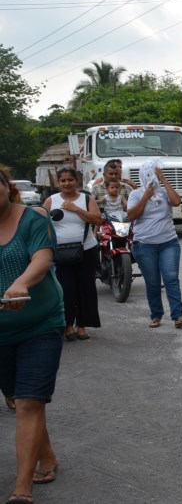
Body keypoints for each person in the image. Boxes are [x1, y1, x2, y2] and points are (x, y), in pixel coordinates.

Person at [0, 167, 65, 504]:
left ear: (6, 187)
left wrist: (22, 281)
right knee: (21, 397)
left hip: (40, 324)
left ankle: (21, 489)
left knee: (28, 401)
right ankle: (47, 455)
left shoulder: (33, 219)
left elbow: (42, 258)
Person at [127, 159, 182, 329]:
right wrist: (145, 197)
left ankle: (178, 315)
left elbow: (177, 202)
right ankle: (156, 315)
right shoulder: (135, 194)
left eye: (155, 175)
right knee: (153, 281)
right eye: (150, 175)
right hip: (144, 245)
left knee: (171, 278)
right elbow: (132, 216)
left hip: (168, 242)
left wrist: (164, 180)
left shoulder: (164, 192)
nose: (152, 179)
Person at [43, 168, 103, 342]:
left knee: (86, 288)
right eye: (63, 181)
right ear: (58, 183)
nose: (67, 183)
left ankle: (82, 326)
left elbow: (97, 220)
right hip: (61, 253)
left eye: (70, 180)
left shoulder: (86, 199)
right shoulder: (50, 200)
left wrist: (75, 209)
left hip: (86, 250)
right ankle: (68, 326)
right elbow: (42, 223)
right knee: (65, 290)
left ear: (77, 181)